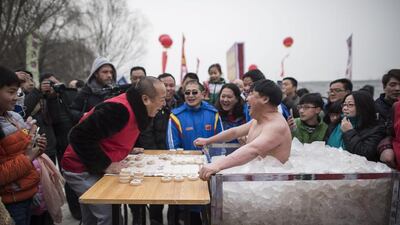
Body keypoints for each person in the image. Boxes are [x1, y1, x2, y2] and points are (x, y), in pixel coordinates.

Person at [61, 77, 166, 225]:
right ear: (146, 99)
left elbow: (112, 136)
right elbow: (79, 136)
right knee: (110, 215)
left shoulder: (138, 108)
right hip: (80, 168)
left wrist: (125, 149)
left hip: (92, 168)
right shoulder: (118, 110)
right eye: (162, 99)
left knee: (91, 218)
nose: (164, 104)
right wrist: (106, 164)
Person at [194, 79, 291, 180]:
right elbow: (234, 132)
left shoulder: (276, 126)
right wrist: (208, 140)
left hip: (270, 185)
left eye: (251, 94)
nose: (246, 99)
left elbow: (253, 149)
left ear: (265, 99)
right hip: (255, 178)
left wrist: (217, 165)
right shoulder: (258, 120)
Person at [0, 66, 47, 225]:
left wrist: (37, 147)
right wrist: (28, 157)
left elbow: (21, 150)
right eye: (11, 92)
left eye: (17, 92)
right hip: (11, 201)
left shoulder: (12, 117)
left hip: (27, 193)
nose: (16, 98)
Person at [325, 91, 386, 161]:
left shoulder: (376, 129)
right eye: (344, 104)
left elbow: (365, 155)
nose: (345, 108)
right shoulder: (335, 124)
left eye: (350, 105)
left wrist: (349, 132)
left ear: (363, 107)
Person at [167, 80, 223, 151]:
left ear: (203, 94)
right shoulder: (175, 116)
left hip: (211, 161)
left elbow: (221, 142)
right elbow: (172, 147)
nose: (190, 95)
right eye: (187, 93)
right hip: (185, 160)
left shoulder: (213, 114)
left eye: (194, 92)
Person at [70, 57, 117, 123]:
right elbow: (72, 111)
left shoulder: (115, 92)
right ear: (96, 74)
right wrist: (84, 115)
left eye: (111, 72)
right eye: (105, 72)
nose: (109, 75)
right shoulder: (86, 91)